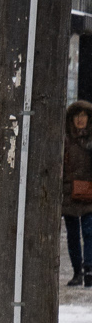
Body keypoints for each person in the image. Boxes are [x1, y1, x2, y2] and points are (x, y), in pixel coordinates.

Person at [65, 100, 92, 286]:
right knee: (73, 234)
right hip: (69, 193)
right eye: (77, 116)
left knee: (89, 231)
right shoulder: (66, 139)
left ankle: (89, 268)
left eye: (83, 116)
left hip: (89, 192)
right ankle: (77, 271)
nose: (80, 120)